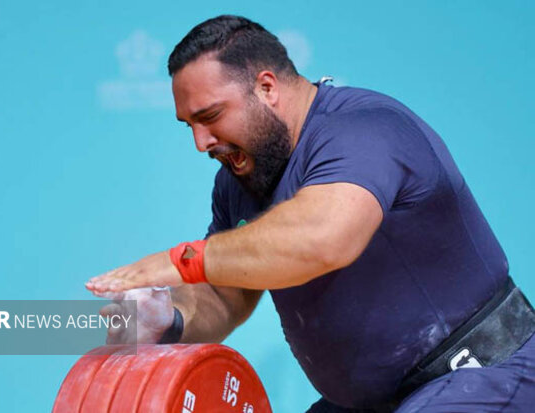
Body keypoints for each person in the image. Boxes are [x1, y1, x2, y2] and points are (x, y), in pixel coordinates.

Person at [86, 15, 535, 412]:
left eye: (211, 116)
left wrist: (181, 261)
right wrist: (170, 319)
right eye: (190, 125)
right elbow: (224, 296)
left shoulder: (364, 131)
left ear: (266, 88)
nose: (200, 143)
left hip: (484, 375)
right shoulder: (239, 179)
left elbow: (322, 239)